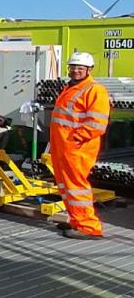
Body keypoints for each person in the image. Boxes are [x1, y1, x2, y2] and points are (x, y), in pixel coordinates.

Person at [49, 52, 110, 239]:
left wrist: (75, 139)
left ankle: (88, 227)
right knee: (66, 185)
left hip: (78, 147)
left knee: (76, 185)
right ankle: (76, 219)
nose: (75, 71)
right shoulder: (71, 87)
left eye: (80, 68)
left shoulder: (94, 90)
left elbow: (97, 124)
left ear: (89, 70)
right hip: (64, 145)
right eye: (73, 67)